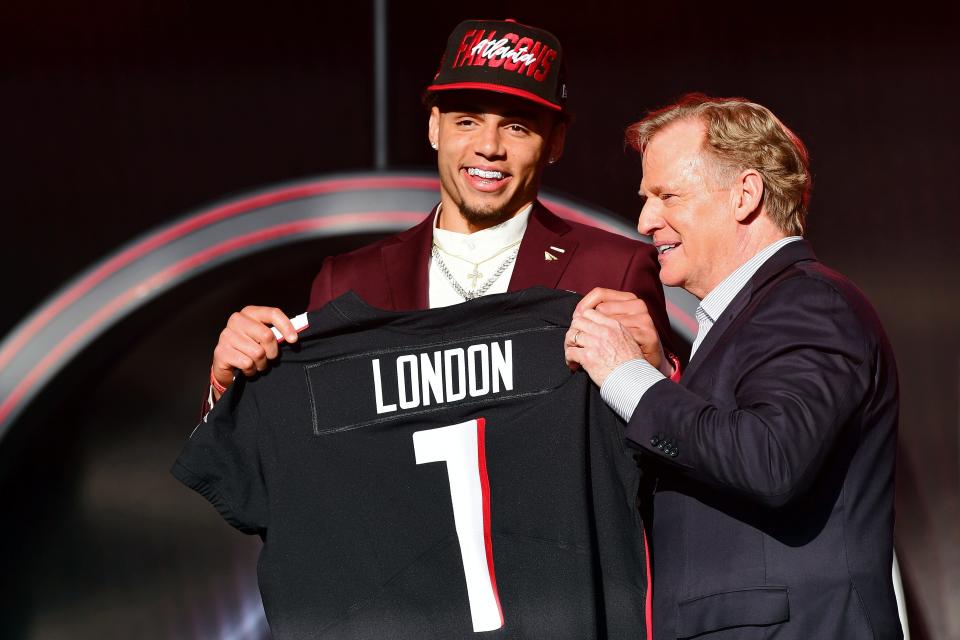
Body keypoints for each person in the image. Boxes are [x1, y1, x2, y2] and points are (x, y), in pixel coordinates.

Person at [205, 18, 677, 409]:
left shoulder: (615, 269)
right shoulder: (348, 281)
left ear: (554, 142)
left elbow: (676, 461)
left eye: (516, 127)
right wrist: (229, 384)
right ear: (434, 127)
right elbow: (298, 450)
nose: (489, 147)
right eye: (467, 121)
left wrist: (658, 373)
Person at [566, 94, 900, 639]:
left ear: (745, 194)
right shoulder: (748, 320)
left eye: (667, 195)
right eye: (647, 198)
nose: (646, 220)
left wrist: (629, 378)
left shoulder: (811, 303)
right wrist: (662, 377)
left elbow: (771, 458)